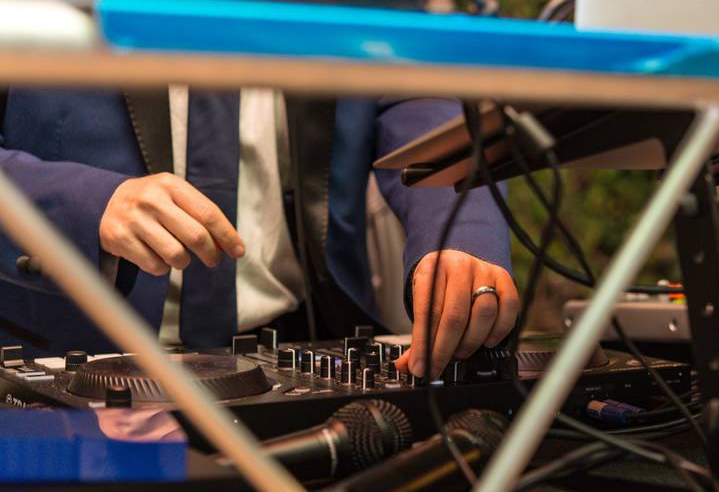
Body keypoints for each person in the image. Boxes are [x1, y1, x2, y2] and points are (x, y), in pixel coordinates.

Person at [0, 88, 518, 379]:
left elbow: (416, 96)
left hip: (304, 357)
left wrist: (462, 232)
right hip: (57, 365)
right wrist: (83, 205)